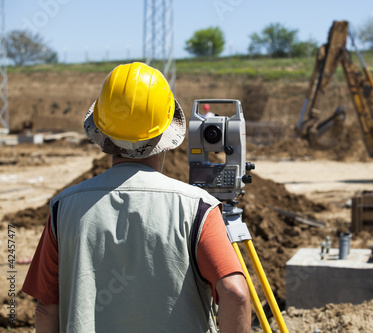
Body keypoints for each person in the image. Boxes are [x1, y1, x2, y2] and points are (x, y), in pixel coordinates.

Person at [22, 62, 251, 333]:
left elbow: (46, 307)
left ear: (102, 133)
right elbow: (235, 294)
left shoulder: (63, 208)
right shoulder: (197, 208)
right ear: (167, 132)